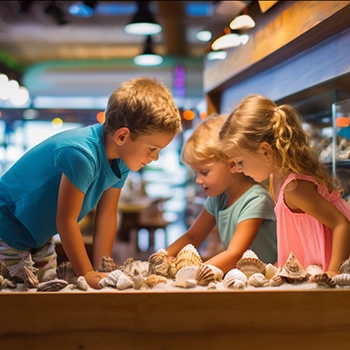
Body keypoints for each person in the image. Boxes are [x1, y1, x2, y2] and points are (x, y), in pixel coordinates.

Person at [0, 77, 182, 289]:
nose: (155, 157)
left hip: (39, 238)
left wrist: (101, 270)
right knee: (13, 303)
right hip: (7, 229)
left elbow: (106, 216)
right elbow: (66, 221)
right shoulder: (82, 154)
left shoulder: (121, 161)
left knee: (46, 298)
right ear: (122, 136)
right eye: (152, 149)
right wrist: (86, 272)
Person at [219, 94, 350, 277]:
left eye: (240, 161)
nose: (237, 169)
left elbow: (341, 224)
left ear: (265, 151)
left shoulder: (294, 187)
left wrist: (333, 274)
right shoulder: (277, 181)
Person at [166, 114, 277, 274]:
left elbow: (235, 254)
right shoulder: (217, 199)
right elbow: (192, 238)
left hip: (266, 284)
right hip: (241, 280)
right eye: (196, 173)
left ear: (233, 164)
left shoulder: (256, 200)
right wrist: (163, 257)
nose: (198, 180)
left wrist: (192, 273)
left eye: (204, 172)